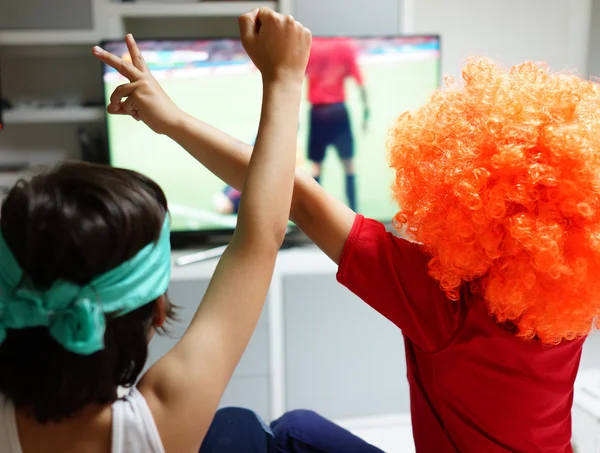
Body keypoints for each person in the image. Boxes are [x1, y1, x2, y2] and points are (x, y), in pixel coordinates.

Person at [96, 16, 600, 453]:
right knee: (296, 430)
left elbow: (290, 193)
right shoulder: (565, 309)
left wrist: (174, 120)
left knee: (250, 431)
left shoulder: (443, 304)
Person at [0, 8, 312, 453]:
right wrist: (284, 77)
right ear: (158, 314)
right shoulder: (158, 425)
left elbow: (260, 235)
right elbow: (262, 233)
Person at [305, 37, 369, 212]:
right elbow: (360, 83)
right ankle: (354, 212)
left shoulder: (310, 44)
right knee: (348, 163)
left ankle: (313, 213)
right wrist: (366, 113)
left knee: (316, 166)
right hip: (338, 111)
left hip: (317, 112)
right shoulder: (345, 45)